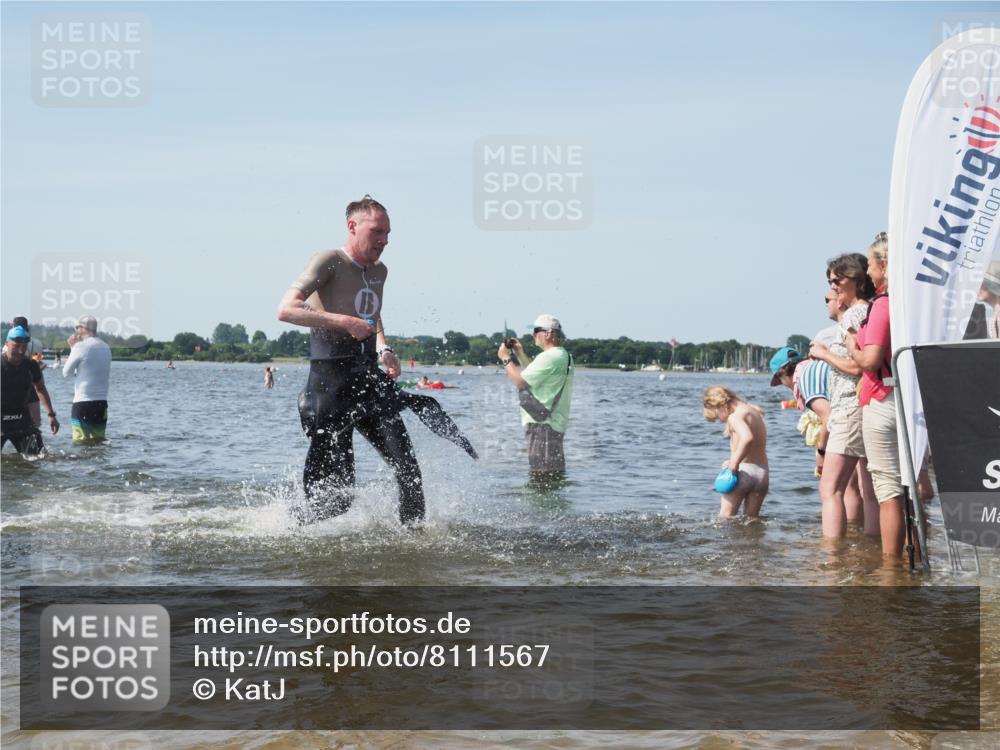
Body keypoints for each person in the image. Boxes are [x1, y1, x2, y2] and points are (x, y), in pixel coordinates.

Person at [277, 195, 425, 526]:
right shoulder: (329, 260)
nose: (385, 240)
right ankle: (291, 527)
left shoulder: (380, 271)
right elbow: (285, 309)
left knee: (408, 469)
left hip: (367, 382)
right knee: (336, 499)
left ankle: (416, 542)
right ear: (352, 226)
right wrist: (344, 322)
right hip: (329, 388)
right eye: (377, 232)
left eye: (388, 233)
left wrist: (384, 348)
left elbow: (372, 312)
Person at [846, 232, 910, 562]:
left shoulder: (884, 305)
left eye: (870, 264)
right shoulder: (911, 302)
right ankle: (916, 557)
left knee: (888, 490)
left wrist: (853, 346)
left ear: (884, 266)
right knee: (910, 487)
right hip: (907, 399)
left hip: (883, 398)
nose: (868, 272)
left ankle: (891, 568)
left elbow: (870, 360)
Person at [808, 253, 878, 539]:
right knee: (870, 490)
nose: (832, 286)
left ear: (857, 279)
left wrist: (823, 354)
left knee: (830, 488)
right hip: (864, 406)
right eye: (829, 280)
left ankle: (832, 559)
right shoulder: (869, 310)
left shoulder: (854, 314)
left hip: (850, 406)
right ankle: (872, 549)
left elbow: (856, 365)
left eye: (837, 279)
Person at [498, 314, 574, 481]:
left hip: (542, 428)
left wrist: (505, 358)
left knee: (539, 480)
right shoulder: (563, 355)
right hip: (553, 427)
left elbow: (520, 382)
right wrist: (519, 353)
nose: (533, 335)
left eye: (536, 331)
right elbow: (534, 372)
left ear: (548, 334)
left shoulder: (551, 356)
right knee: (552, 480)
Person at [702, 386, 768, 517]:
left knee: (725, 519)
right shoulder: (753, 411)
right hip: (762, 474)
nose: (721, 420)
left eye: (716, 416)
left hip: (744, 473)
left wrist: (734, 462)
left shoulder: (734, 416)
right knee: (752, 520)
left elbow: (747, 438)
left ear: (719, 405)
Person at [1, 326, 59, 455]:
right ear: (7, 343)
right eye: (16, 345)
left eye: (24, 346)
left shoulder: (31, 365)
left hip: (22, 420)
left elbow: (41, 389)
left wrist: (51, 415)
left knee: (38, 459)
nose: (21, 351)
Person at [63, 315, 112, 444]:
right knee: (98, 443)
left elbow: (66, 372)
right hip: (101, 403)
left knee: (80, 444)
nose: (76, 331)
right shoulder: (106, 347)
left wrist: (72, 348)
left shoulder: (80, 347)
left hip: (83, 402)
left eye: (77, 327)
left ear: (83, 328)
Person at [4, 317, 44, 428]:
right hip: (33, 384)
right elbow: (37, 362)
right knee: (35, 426)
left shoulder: (10, 342)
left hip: (15, 387)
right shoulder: (37, 343)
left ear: (13, 326)